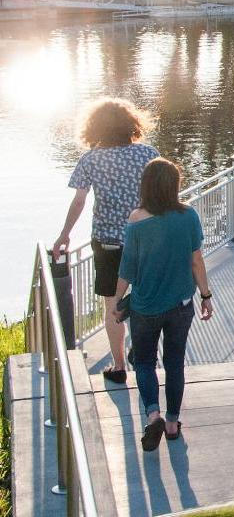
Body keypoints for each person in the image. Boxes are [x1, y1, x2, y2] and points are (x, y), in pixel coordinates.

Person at [55, 98, 159, 384]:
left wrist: (64, 235)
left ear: (94, 127)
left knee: (112, 304)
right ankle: (141, 350)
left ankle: (117, 366)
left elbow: (79, 201)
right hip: (147, 239)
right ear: (132, 124)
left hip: (108, 242)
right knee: (145, 298)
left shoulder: (91, 158)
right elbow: (163, 193)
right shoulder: (148, 154)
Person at [112, 158, 212, 450]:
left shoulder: (136, 219)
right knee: (175, 363)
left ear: (146, 186)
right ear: (175, 185)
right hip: (181, 304)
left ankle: (152, 413)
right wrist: (205, 295)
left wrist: (117, 301)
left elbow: (127, 267)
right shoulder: (189, 215)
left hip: (145, 307)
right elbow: (196, 260)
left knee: (143, 361)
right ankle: (171, 423)